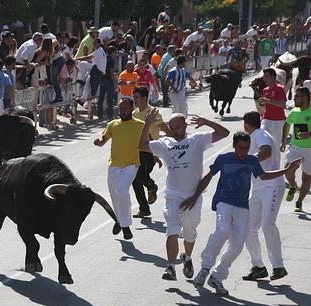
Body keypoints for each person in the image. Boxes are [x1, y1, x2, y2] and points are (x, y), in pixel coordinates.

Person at [187, 131, 301, 295]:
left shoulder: (252, 160)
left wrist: (286, 171)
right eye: (240, 148)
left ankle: (217, 276)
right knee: (223, 230)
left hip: (242, 206)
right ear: (234, 146)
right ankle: (205, 267)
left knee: (238, 244)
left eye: (247, 148)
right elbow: (208, 176)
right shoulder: (223, 159)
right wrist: (194, 196)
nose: (243, 152)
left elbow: (262, 175)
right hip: (223, 202)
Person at [139, 110, 229, 281]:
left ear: (185, 126)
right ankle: (170, 267)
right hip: (173, 194)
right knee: (172, 229)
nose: (175, 131)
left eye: (178, 128)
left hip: (193, 195)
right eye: (172, 128)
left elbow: (224, 133)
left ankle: (187, 257)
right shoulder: (165, 143)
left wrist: (207, 121)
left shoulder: (197, 140)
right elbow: (142, 146)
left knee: (190, 232)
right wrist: (147, 124)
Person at [242, 111, 288, 282]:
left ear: (246, 124)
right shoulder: (258, 134)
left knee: (268, 224)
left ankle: (278, 266)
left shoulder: (259, 134)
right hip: (258, 188)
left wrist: (247, 161)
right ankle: (258, 267)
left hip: (272, 186)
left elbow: (266, 151)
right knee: (247, 227)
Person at [94, 97, 143, 240]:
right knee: (115, 196)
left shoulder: (140, 125)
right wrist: (98, 142)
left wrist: (156, 156)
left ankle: (125, 226)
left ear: (132, 109)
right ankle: (119, 220)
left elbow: (149, 142)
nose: (122, 111)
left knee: (122, 191)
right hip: (114, 165)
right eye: (120, 108)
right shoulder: (113, 124)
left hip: (131, 165)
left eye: (125, 108)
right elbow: (103, 140)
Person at [281, 87, 311, 212]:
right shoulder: (294, 111)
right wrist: (283, 142)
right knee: (287, 169)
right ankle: (293, 186)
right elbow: (286, 124)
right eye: (295, 96)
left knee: (306, 178)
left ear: (305, 98)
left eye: (297, 96)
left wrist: (310, 134)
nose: (294, 98)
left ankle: (299, 201)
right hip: (295, 147)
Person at [131, 87, 170, 219]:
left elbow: (164, 128)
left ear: (143, 98)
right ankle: (144, 209)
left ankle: (151, 185)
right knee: (134, 180)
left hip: (150, 151)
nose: (135, 100)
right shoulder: (134, 114)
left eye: (137, 97)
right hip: (137, 150)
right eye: (134, 97)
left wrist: (177, 138)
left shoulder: (152, 112)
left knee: (140, 175)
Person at [258, 68, 287, 149]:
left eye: (266, 76)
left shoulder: (279, 88)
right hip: (266, 119)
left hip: (278, 121)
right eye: (264, 77)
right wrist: (262, 103)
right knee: (263, 141)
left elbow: (283, 104)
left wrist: (267, 100)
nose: (264, 79)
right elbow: (266, 104)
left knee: (275, 146)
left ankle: (275, 161)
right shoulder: (265, 90)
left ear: (273, 77)